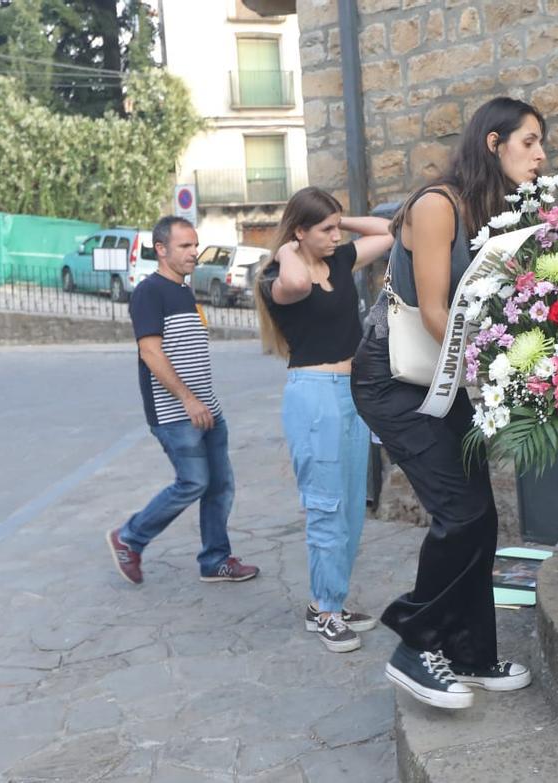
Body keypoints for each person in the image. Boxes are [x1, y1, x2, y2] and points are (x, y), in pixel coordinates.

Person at [351, 96, 546, 710]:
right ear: (493, 143)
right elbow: (436, 310)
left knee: (480, 517)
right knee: (459, 514)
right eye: (529, 142)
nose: (541, 155)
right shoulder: (438, 205)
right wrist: (498, 373)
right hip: (395, 379)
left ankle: (469, 653)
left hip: (445, 375)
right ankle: (415, 645)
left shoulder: (494, 211)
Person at [254, 187, 394, 653]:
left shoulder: (337, 259)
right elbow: (295, 286)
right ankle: (325, 611)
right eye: (325, 229)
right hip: (313, 397)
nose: (336, 236)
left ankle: (328, 600)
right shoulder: (278, 275)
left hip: (351, 392)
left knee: (352, 505)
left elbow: (392, 232)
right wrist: (288, 247)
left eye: (337, 228)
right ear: (299, 232)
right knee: (325, 506)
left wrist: (342, 221)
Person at [106, 216, 259, 585]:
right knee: (193, 482)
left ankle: (215, 560)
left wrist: (203, 401)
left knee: (220, 485)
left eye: (195, 245)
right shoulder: (149, 292)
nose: (195, 253)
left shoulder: (185, 291)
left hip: (206, 408)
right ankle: (130, 537)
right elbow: (151, 353)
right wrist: (188, 401)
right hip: (176, 412)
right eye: (185, 246)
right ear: (161, 249)